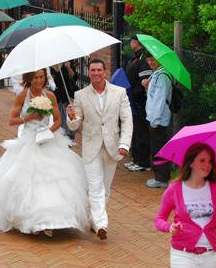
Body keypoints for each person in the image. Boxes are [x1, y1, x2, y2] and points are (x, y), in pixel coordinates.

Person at [0, 69, 89, 238]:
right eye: (35, 78)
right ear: (29, 79)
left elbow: (58, 119)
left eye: (42, 77)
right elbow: (11, 120)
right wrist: (28, 118)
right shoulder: (22, 96)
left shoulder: (50, 96)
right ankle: (34, 220)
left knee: (55, 179)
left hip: (48, 139)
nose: (39, 81)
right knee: (29, 180)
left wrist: (49, 131)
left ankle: (55, 219)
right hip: (29, 139)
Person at [67, 58, 133, 240]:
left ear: (105, 72)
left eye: (99, 70)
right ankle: (102, 223)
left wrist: (124, 143)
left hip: (113, 147)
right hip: (91, 147)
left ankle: (94, 219)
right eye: (92, 70)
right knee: (95, 188)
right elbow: (74, 125)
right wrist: (71, 117)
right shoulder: (80, 95)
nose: (95, 73)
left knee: (106, 189)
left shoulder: (119, 93)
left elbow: (127, 119)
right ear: (89, 73)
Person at [154, 142, 216, 268]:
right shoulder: (175, 189)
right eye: (202, 160)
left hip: (209, 256)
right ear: (191, 163)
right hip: (182, 256)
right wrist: (170, 227)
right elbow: (158, 220)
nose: (207, 165)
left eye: (210, 161)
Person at [142, 52, 172, 188]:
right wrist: (148, 86)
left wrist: (154, 121)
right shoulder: (157, 74)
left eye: (153, 59)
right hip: (155, 119)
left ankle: (161, 178)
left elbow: (159, 101)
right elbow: (154, 96)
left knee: (159, 149)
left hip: (159, 120)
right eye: (149, 60)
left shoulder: (162, 76)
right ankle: (160, 176)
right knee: (157, 147)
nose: (150, 62)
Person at [124, 36, 153, 172]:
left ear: (136, 42)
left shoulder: (143, 61)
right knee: (135, 131)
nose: (130, 43)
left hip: (139, 101)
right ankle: (136, 159)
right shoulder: (134, 58)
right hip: (132, 100)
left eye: (131, 41)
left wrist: (134, 94)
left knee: (141, 131)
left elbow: (143, 82)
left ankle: (143, 162)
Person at [50, 61, 78, 140]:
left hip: (68, 91)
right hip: (58, 92)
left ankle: (70, 134)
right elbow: (51, 81)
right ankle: (63, 134)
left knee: (69, 113)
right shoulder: (52, 65)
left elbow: (75, 77)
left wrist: (68, 67)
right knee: (60, 114)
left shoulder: (68, 62)